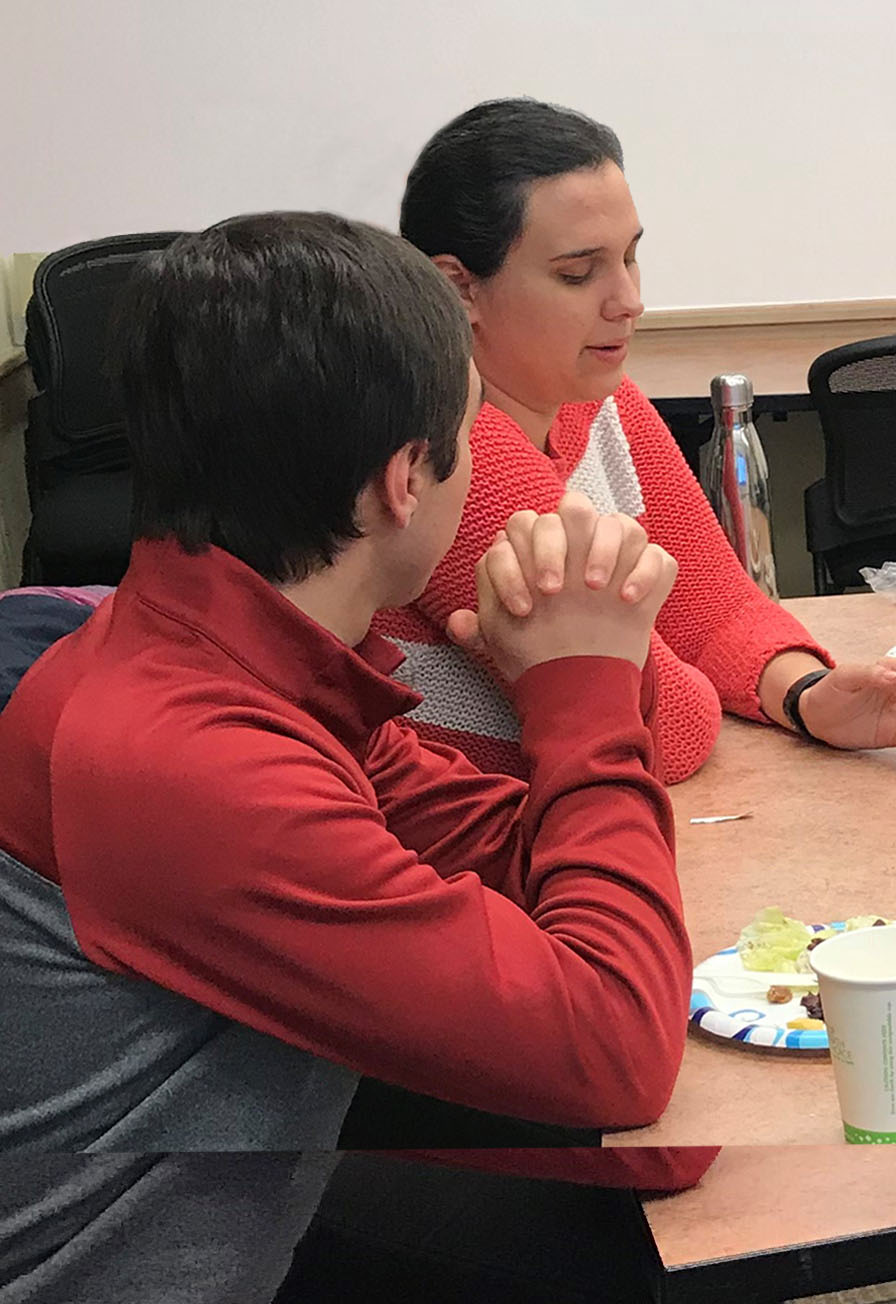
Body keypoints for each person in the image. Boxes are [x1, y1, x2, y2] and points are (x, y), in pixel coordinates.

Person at [0, 212, 691, 1302]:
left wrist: (567, 697)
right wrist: (583, 690)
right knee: (636, 1221)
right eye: (468, 439)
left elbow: (505, 856)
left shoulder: (224, 644)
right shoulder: (180, 758)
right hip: (149, 1267)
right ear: (404, 481)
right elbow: (614, 1043)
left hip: (261, 1171)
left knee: (641, 1202)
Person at [388, 96, 896, 785]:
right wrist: (689, 675)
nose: (629, 299)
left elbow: (711, 600)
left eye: (630, 257)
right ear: (458, 289)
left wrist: (804, 695)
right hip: (469, 853)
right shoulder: (447, 452)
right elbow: (668, 730)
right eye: (577, 273)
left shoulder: (596, 396)